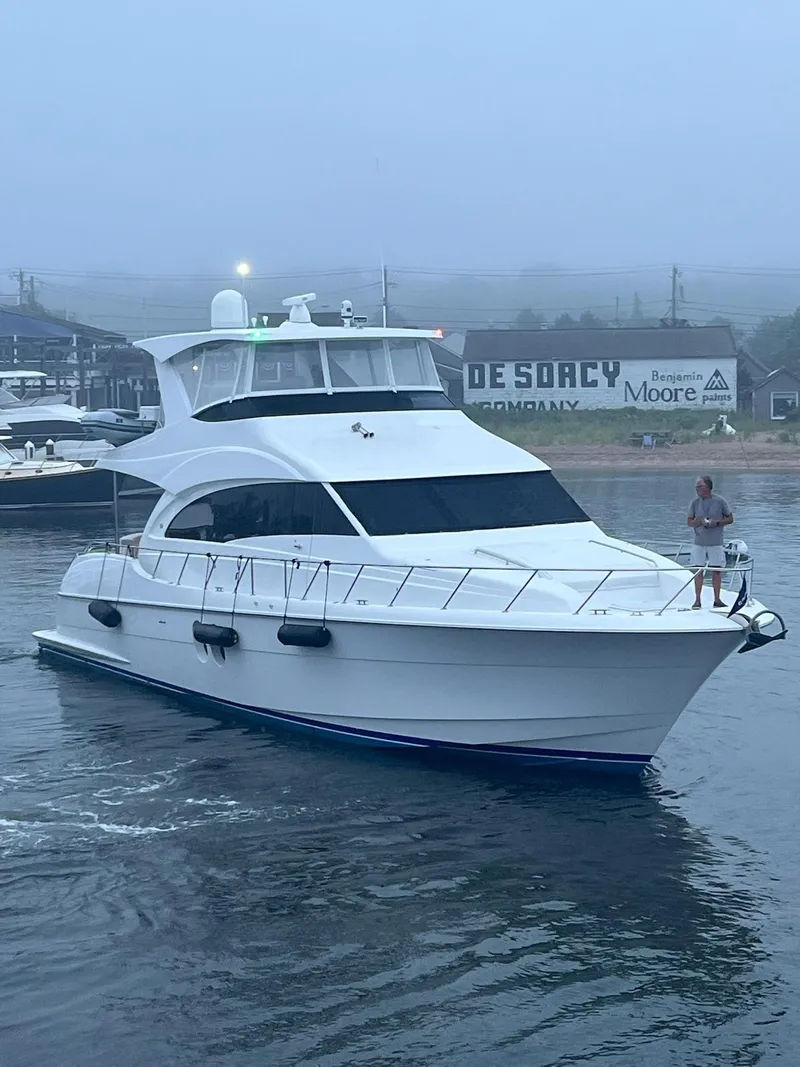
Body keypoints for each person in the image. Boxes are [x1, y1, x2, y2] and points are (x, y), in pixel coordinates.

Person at [687, 475, 734, 609]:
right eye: (696, 487)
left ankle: (717, 600)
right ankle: (697, 600)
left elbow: (730, 518)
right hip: (699, 542)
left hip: (716, 542)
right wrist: (700, 522)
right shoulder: (695, 503)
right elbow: (689, 522)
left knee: (717, 570)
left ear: (707, 487)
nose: (697, 489)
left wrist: (717, 522)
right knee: (698, 571)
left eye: (699, 486)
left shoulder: (720, 501)